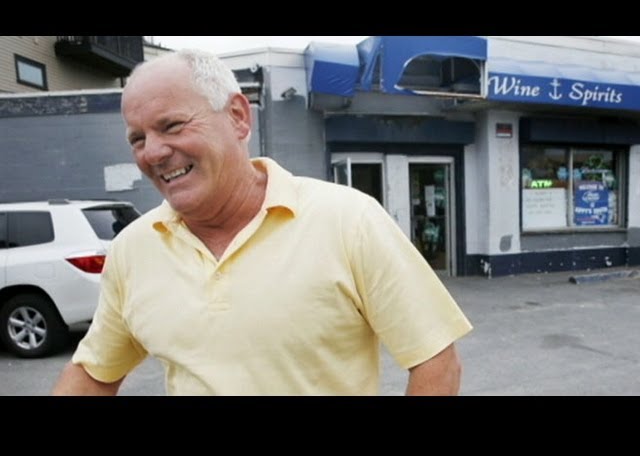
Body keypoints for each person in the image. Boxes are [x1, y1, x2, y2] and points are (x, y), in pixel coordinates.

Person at [52, 49, 472, 396]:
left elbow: (436, 361)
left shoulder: (349, 220)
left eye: (172, 126)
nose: (153, 152)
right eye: (138, 138)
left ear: (238, 116)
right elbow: (93, 375)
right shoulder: (133, 249)